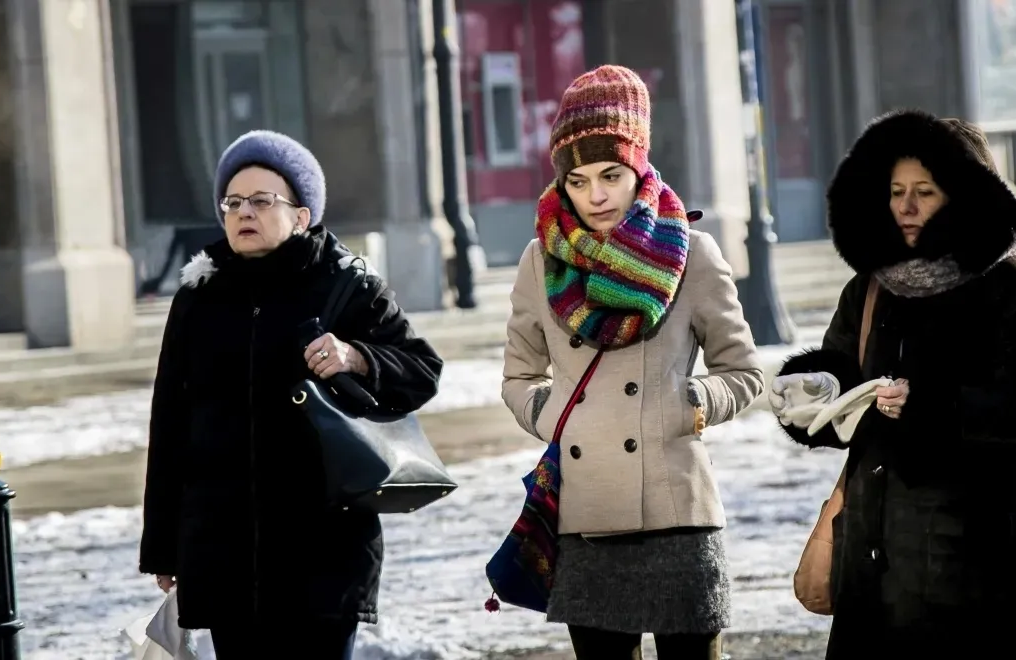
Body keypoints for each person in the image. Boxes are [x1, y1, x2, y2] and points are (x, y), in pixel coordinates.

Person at [768, 109, 1016, 659]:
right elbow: (840, 373)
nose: (905, 206)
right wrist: (810, 395)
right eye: (896, 190)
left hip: (978, 566)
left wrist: (928, 405)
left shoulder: (1014, 287)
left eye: (924, 191)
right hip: (875, 561)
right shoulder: (871, 288)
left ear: (961, 196)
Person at [138, 130, 444, 659]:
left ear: (302, 215)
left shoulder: (346, 283)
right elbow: (170, 422)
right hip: (225, 550)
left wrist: (357, 357)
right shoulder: (198, 296)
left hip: (322, 552)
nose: (243, 213)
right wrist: (164, 545)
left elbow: (422, 370)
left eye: (262, 200)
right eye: (233, 202)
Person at [501, 64, 764, 660]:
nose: (595, 195)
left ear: (638, 169)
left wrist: (693, 403)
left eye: (611, 175)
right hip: (586, 517)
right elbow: (518, 377)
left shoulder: (691, 253)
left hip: (678, 512)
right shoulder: (542, 262)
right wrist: (553, 417)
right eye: (579, 179)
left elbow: (743, 370)